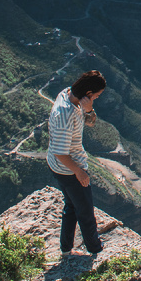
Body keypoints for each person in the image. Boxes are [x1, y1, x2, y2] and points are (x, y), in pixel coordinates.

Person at [46, 70, 106, 258]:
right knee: (86, 211)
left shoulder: (67, 94)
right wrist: (79, 172)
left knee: (71, 206)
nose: (96, 99)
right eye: (95, 96)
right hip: (68, 169)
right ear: (87, 94)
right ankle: (95, 249)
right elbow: (61, 153)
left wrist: (88, 110)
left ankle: (66, 249)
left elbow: (90, 123)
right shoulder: (65, 115)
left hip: (58, 166)